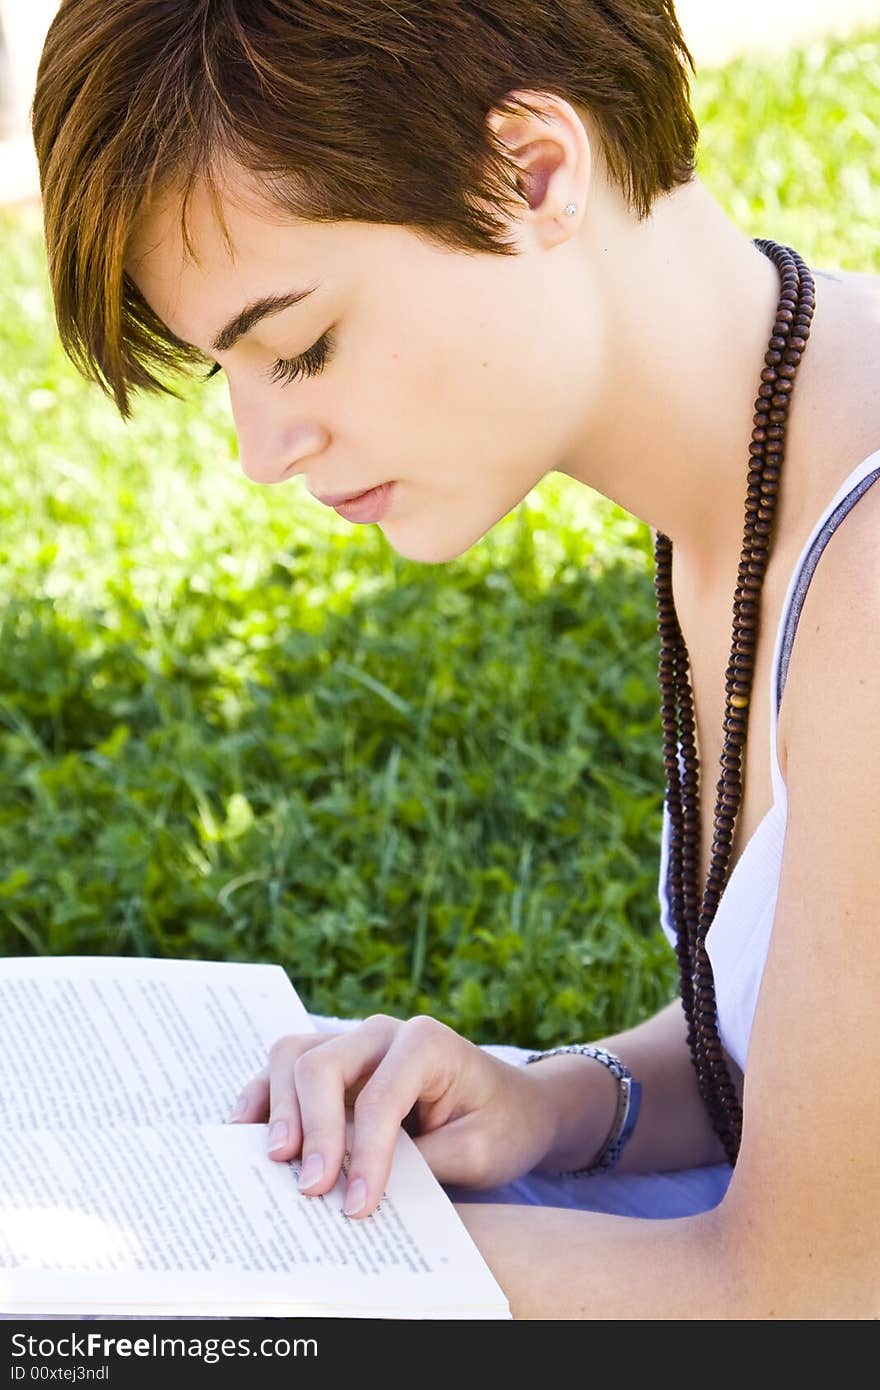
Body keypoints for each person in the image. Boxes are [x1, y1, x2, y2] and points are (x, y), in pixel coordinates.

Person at [32, 1, 879, 1319]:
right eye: (232, 373)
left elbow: (819, 1295)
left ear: (531, 173)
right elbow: (785, 1057)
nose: (263, 454)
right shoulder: (751, 474)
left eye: (299, 343)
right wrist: (548, 1094)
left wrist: (242, 1266)